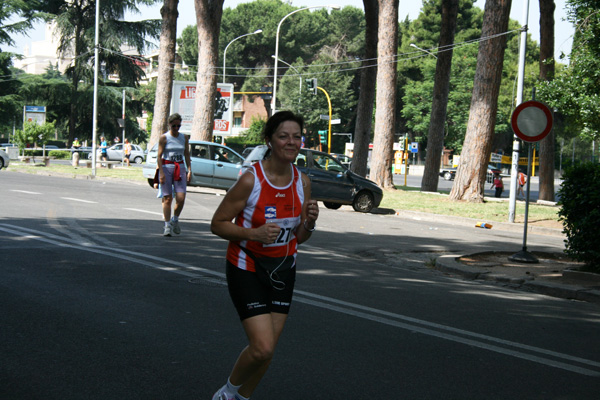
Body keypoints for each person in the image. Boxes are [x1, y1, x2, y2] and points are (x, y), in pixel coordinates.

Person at [210, 111, 319, 400]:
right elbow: (217, 224)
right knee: (263, 347)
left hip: (283, 269)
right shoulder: (251, 180)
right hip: (247, 267)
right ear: (269, 140)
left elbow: (300, 238)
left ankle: (242, 397)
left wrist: (309, 222)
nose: (291, 142)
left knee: (268, 347)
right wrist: (253, 234)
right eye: (283, 136)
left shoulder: (302, 182)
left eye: (297, 136)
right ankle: (227, 392)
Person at [157, 113, 191, 236]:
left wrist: (189, 169)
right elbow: (159, 156)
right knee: (167, 198)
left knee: (181, 198)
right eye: (174, 126)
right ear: (169, 125)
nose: (176, 128)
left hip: (180, 168)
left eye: (178, 125)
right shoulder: (164, 138)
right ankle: (166, 226)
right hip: (167, 167)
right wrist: (161, 172)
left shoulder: (184, 138)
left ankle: (175, 219)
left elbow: (187, 154)